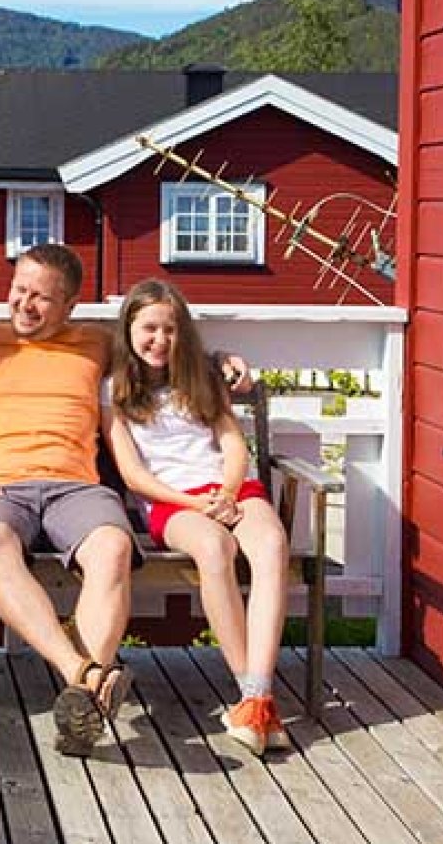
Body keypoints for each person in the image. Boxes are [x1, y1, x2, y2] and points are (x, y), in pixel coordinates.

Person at [0, 244, 143, 757]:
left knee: (113, 548)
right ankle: (85, 677)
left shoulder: (97, 344)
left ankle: (82, 703)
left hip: (75, 486)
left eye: (42, 298)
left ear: (70, 306)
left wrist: (223, 362)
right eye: (19, 291)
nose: (25, 305)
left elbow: (165, 350)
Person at [104, 279, 292, 755]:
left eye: (170, 329)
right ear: (128, 329)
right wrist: (197, 505)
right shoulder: (115, 392)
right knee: (215, 547)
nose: (159, 340)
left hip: (230, 489)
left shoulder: (203, 378)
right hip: (172, 501)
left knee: (271, 545)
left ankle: (258, 697)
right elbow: (131, 474)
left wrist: (228, 492)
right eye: (149, 328)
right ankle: (253, 696)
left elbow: (232, 443)